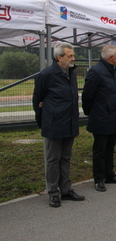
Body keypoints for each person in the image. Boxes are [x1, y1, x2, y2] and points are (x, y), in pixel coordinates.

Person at [33, 42, 84, 207]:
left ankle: (66, 189)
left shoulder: (72, 73)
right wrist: (44, 121)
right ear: (59, 57)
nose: (73, 59)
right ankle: (53, 192)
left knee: (66, 158)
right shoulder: (46, 75)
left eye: (73, 56)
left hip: (70, 122)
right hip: (54, 124)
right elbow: (37, 100)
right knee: (53, 159)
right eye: (69, 56)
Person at [82, 45, 116, 192]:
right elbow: (87, 95)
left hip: (114, 116)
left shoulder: (115, 71)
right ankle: (99, 178)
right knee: (100, 149)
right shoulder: (96, 72)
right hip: (101, 116)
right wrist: (91, 112)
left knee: (110, 147)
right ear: (110, 57)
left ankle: (109, 174)